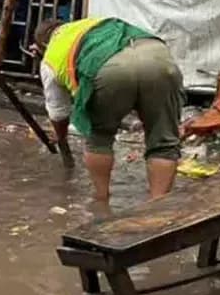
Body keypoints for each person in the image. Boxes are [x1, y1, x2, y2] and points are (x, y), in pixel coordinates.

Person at [33, 17, 184, 206]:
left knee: (99, 139)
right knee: (164, 143)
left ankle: (101, 202)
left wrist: (61, 138)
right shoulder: (92, 23)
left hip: (110, 69)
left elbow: (58, 113)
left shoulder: (51, 55)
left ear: (41, 45)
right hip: (157, 57)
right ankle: (157, 209)